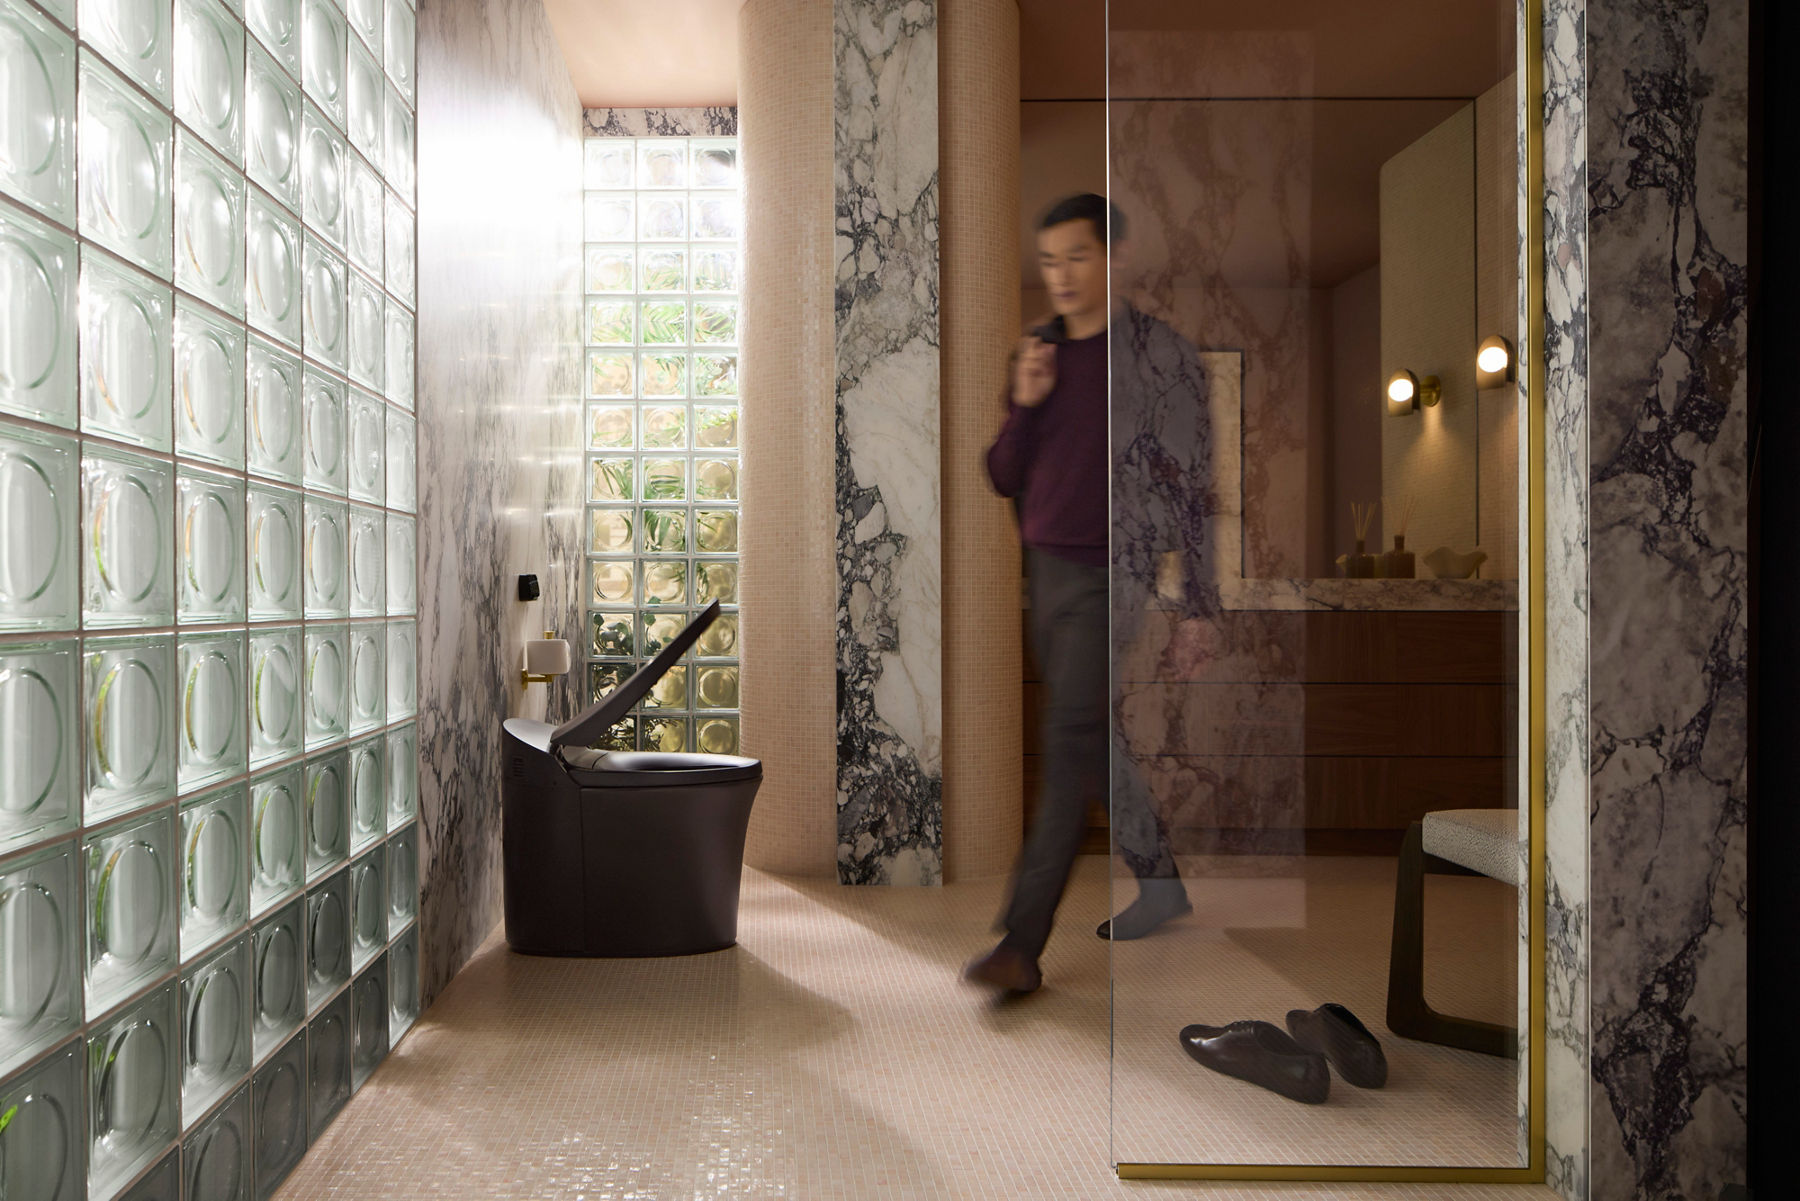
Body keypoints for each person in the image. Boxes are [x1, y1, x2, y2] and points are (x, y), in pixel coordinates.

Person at [963, 193, 1211, 996]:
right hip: (1048, 569)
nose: (1061, 275)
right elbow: (1002, 473)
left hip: (1117, 571)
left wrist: (1199, 606)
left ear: (1115, 257)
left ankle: (1021, 942)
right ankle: (1161, 881)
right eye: (1049, 261)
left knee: (1068, 736)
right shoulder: (1037, 350)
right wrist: (1026, 405)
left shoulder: (1160, 355)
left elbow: (1194, 489)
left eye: (1077, 256)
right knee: (1090, 733)